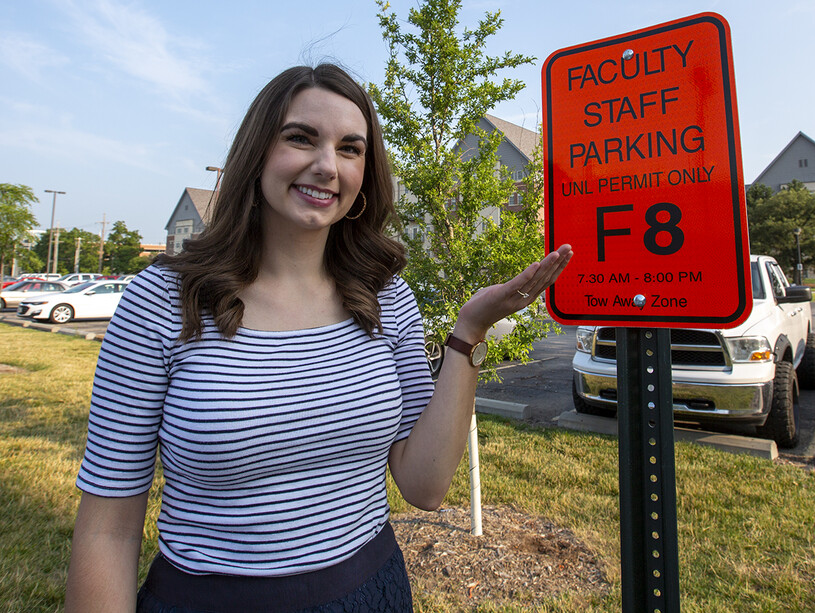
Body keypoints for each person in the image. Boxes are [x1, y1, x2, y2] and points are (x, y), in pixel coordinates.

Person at [64, 63, 572, 612]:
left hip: (370, 592)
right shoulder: (163, 301)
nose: (327, 165)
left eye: (350, 149)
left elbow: (424, 486)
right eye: (301, 138)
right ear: (257, 153)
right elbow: (107, 529)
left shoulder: (386, 295)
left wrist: (468, 334)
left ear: (363, 175)